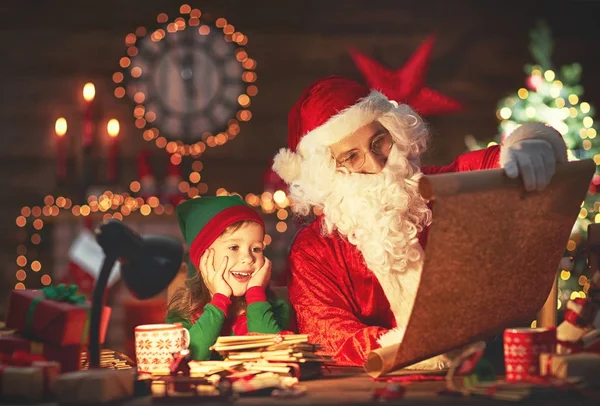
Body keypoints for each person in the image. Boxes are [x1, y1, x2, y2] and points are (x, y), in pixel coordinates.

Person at [272, 75, 568, 368]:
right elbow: (330, 334)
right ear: (327, 169)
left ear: (394, 133)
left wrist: (530, 143)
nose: (376, 164)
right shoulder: (314, 250)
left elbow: (494, 164)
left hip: (478, 376)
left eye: (379, 142)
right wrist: (419, 349)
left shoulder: (436, 189)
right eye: (352, 157)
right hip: (374, 395)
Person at [167, 196, 292, 360]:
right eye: (234, 247)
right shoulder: (182, 313)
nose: (248, 258)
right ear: (205, 257)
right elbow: (191, 358)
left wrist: (256, 294)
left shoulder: (276, 308)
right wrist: (219, 301)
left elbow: (278, 358)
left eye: (256, 249)